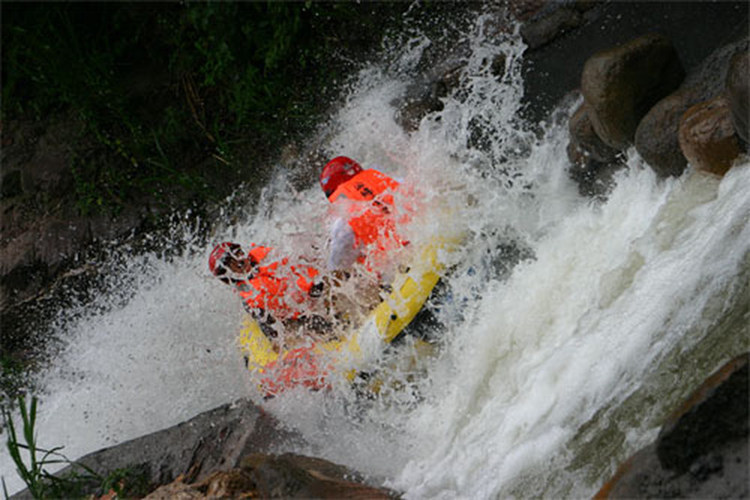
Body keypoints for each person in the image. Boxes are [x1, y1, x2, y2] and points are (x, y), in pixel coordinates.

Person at [208, 241, 329, 341]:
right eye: (230, 264)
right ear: (227, 275)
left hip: (321, 286)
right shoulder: (249, 299)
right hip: (303, 317)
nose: (238, 261)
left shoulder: (264, 253)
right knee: (319, 324)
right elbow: (274, 333)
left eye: (237, 253)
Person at [319, 156, 411, 277]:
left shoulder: (342, 219)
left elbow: (339, 265)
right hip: (424, 238)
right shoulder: (387, 179)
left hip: (401, 267)